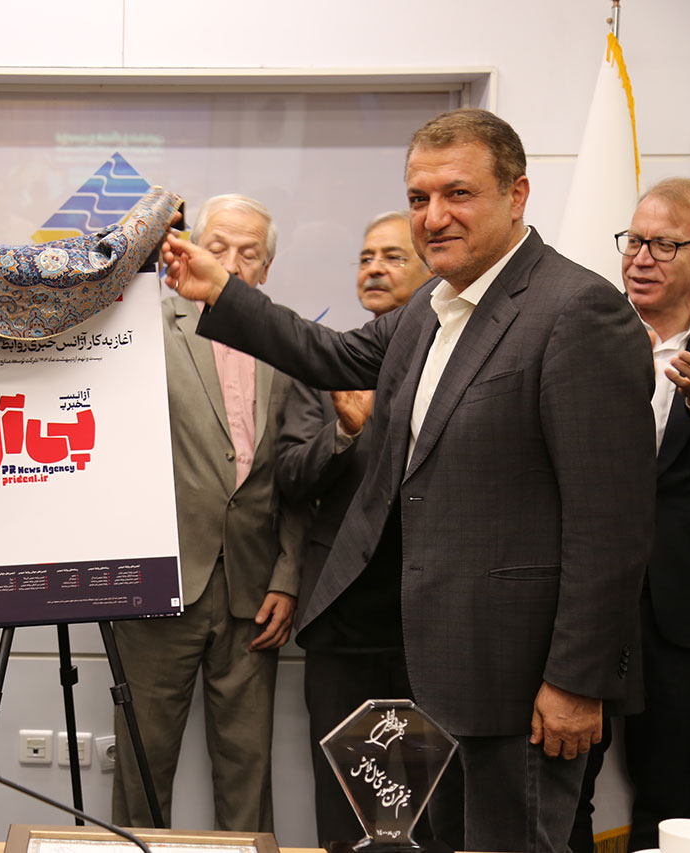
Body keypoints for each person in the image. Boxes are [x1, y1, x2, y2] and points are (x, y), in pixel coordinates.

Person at [160, 108, 656, 853]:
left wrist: (577, 680)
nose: (434, 216)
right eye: (419, 197)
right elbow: (330, 355)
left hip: (525, 684)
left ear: (517, 195)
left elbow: (610, 524)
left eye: (458, 193)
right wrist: (221, 290)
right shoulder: (431, 305)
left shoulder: (577, 311)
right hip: (436, 671)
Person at [112, 194, 298, 832]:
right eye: (218, 247)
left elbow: (298, 472)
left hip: (256, 593)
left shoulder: (289, 340)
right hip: (159, 587)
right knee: (142, 768)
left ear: (266, 269)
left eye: (250, 253)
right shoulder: (141, 330)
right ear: (189, 251)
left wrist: (288, 576)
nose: (233, 263)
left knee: (249, 771)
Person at [274, 211, 442, 846]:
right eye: (366, 257)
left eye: (393, 257)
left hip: (430, 619)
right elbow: (290, 476)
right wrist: (343, 431)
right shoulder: (327, 363)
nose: (374, 269)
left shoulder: (456, 361)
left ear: (432, 272)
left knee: (428, 805)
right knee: (347, 802)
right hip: (342, 619)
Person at [616, 177, 690, 852]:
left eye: (663, 245)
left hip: (682, 608)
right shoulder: (588, 330)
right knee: (559, 784)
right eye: (634, 241)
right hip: (583, 600)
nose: (641, 258)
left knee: (672, 794)